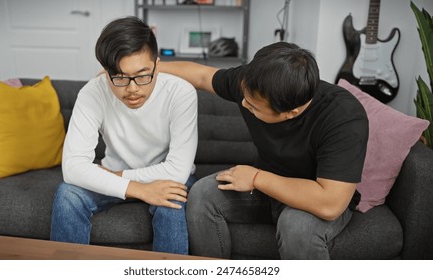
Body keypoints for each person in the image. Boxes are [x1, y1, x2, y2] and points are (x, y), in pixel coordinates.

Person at [160, 42, 368, 259]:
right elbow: (202, 76)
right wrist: (147, 69)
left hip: (314, 196)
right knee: (202, 194)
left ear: (290, 113)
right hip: (266, 190)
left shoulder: (343, 117)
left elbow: (330, 203)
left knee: (296, 226)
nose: (243, 104)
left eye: (253, 106)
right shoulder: (255, 83)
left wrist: (257, 178)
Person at [50, 16, 198, 255]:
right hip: (117, 175)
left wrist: (118, 177)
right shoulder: (92, 93)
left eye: (142, 75)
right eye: (119, 77)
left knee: (172, 202)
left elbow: (178, 171)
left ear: (157, 66)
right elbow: (73, 168)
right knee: (68, 194)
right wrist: (137, 188)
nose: (132, 88)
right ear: (105, 73)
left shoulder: (181, 93)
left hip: (160, 177)